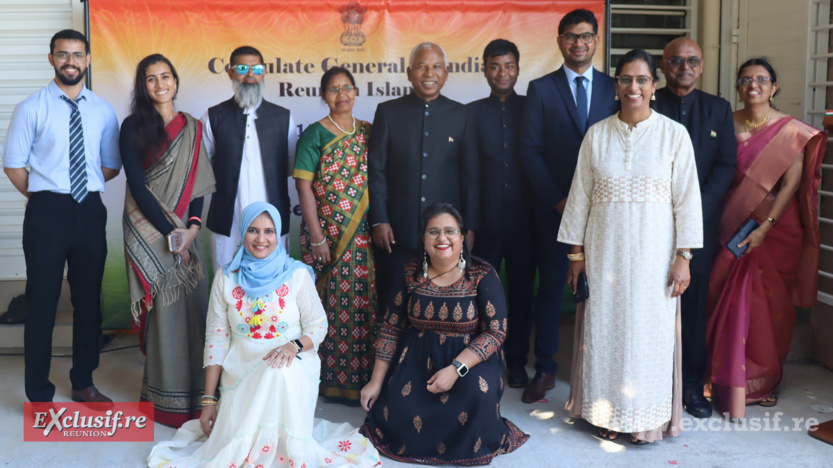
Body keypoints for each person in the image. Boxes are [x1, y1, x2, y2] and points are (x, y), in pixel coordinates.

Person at [147, 202, 381, 467]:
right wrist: (210, 400)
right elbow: (216, 339)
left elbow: (318, 325)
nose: (261, 239)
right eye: (253, 230)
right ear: (243, 233)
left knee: (277, 371)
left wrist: (293, 346)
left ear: (278, 234)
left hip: (293, 361)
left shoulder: (297, 275)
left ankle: (276, 450)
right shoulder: (226, 277)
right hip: (242, 365)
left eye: (269, 231)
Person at [558, 49, 703, 444]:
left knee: (646, 338)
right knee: (605, 335)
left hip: (654, 260)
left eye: (642, 79)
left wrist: (683, 258)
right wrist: (576, 256)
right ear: (616, 85)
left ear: (654, 86)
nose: (633, 87)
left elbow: (687, 201)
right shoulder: (597, 134)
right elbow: (580, 199)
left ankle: (645, 421)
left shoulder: (674, 135)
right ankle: (605, 412)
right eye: (625, 79)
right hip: (604, 257)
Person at [2, 29, 120, 404]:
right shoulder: (31, 107)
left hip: (88, 210)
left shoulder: (102, 109)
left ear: (87, 60)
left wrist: (80, 191)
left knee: (88, 300)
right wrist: (42, 195)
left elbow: (110, 166)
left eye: (77, 54)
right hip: (46, 212)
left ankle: (83, 381)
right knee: (42, 301)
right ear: (51, 59)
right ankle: (39, 393)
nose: (71, 61)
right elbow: (14, 165)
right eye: (62, 54)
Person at [360, 203, 528, 464]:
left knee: (476, 396)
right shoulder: (409, 272)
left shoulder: (482, 274)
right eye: (433, 231)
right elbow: (391, 327)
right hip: (416, 359)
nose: (442, 238)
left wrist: (456, 369)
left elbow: (496, 331)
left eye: (450, 231)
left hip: (471, 360)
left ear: (463, 237)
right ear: (423, 238)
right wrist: (375, 381)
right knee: (400, 411)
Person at [705, 58, 825, 419]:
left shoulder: (791, 131)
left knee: (768, 310)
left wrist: (765, 226)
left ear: (774, 87)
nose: (752, 85)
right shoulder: (725, 123)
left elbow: (791, 183)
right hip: (728, 227)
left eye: (761, 79)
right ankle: (717, 377)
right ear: (738, 87)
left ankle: (763, 381)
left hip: (774, 231)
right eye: (745, 79)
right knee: (718, 300)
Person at [518, 8, 618, 402]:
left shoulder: (616, 87)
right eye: (571, 36)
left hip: (609, 213)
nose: (579, 43)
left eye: (586, 36)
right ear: (560, 41)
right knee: (552, 288)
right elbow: (530, 152)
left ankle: (605, 369)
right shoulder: (541, 89)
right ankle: (544, 369)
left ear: (596, 40)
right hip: (555, 211)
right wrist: (559, 202)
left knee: (607, 290)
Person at [120, 54, 216, 427]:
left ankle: (202, 396)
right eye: (151, 79)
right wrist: (170, 233)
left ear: (176, 81)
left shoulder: (191, 127)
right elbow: (137, 186)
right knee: (163, 314)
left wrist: (191, 229)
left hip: (185, 234)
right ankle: (165, 401)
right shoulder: (132, 126)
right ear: (143, 86)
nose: (160, 84)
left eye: (165, 77)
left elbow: (199, 186)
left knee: (195, 309)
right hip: (149, 228)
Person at [654, 37, 737, 419]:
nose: (684, 67)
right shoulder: (648, 105)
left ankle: (690, 387)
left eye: (691, 61)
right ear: (663, 66)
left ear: (701, 66)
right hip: (650, 225)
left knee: (693, 306)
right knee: (650, 306)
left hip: (698, 227)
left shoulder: (717, 109)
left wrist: (693, 209)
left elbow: (725, 167)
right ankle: (653, 383)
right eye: (675, 61)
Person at [368, 42, 479, 324]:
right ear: (408, 73)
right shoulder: (388, 112)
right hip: (397, 231)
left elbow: (470, 177)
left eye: (436, 66)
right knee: (394, 307)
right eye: (421, 66)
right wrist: (380, 219)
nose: (429, 73)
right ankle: (393, 367)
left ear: (446, 72)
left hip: (447, 236)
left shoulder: (462, 115)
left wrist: (469, 227)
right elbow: (377, 171)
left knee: (442, 308)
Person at [293, 66, 375, 404]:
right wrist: (316, 237)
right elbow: (303, 185)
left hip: (365, 238)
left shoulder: (370, 132)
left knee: (363, 305)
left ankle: (363, 380)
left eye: (347, 87)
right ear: (323, 95)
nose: (341, 94)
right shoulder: (315, 134)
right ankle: (325, 380)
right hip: (327, 236)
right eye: (333, 88)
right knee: (326, 308)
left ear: (356, 92)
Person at [466, 39, 536, 389]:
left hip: (526, 223)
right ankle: (484, 358)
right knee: (484, 296)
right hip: (486, 225)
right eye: (495, 66)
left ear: (518, 69)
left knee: (522, 293)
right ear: (485, 70)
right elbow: (468, 172)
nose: (502, 73)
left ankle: (519, 361)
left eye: (508, 66)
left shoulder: (532, 108)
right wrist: (470, 224)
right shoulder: (473, 113)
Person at [202, 45, 299, 270]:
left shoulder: (283, 118)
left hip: (271, 219)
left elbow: (289, 165)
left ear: (264, 72)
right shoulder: (213, 116)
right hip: (229, 220)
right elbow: (203, 167)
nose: (250, 75)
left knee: (273, 289)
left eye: (256, 68)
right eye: (243, 68)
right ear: (230, 72)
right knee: (227, 284)